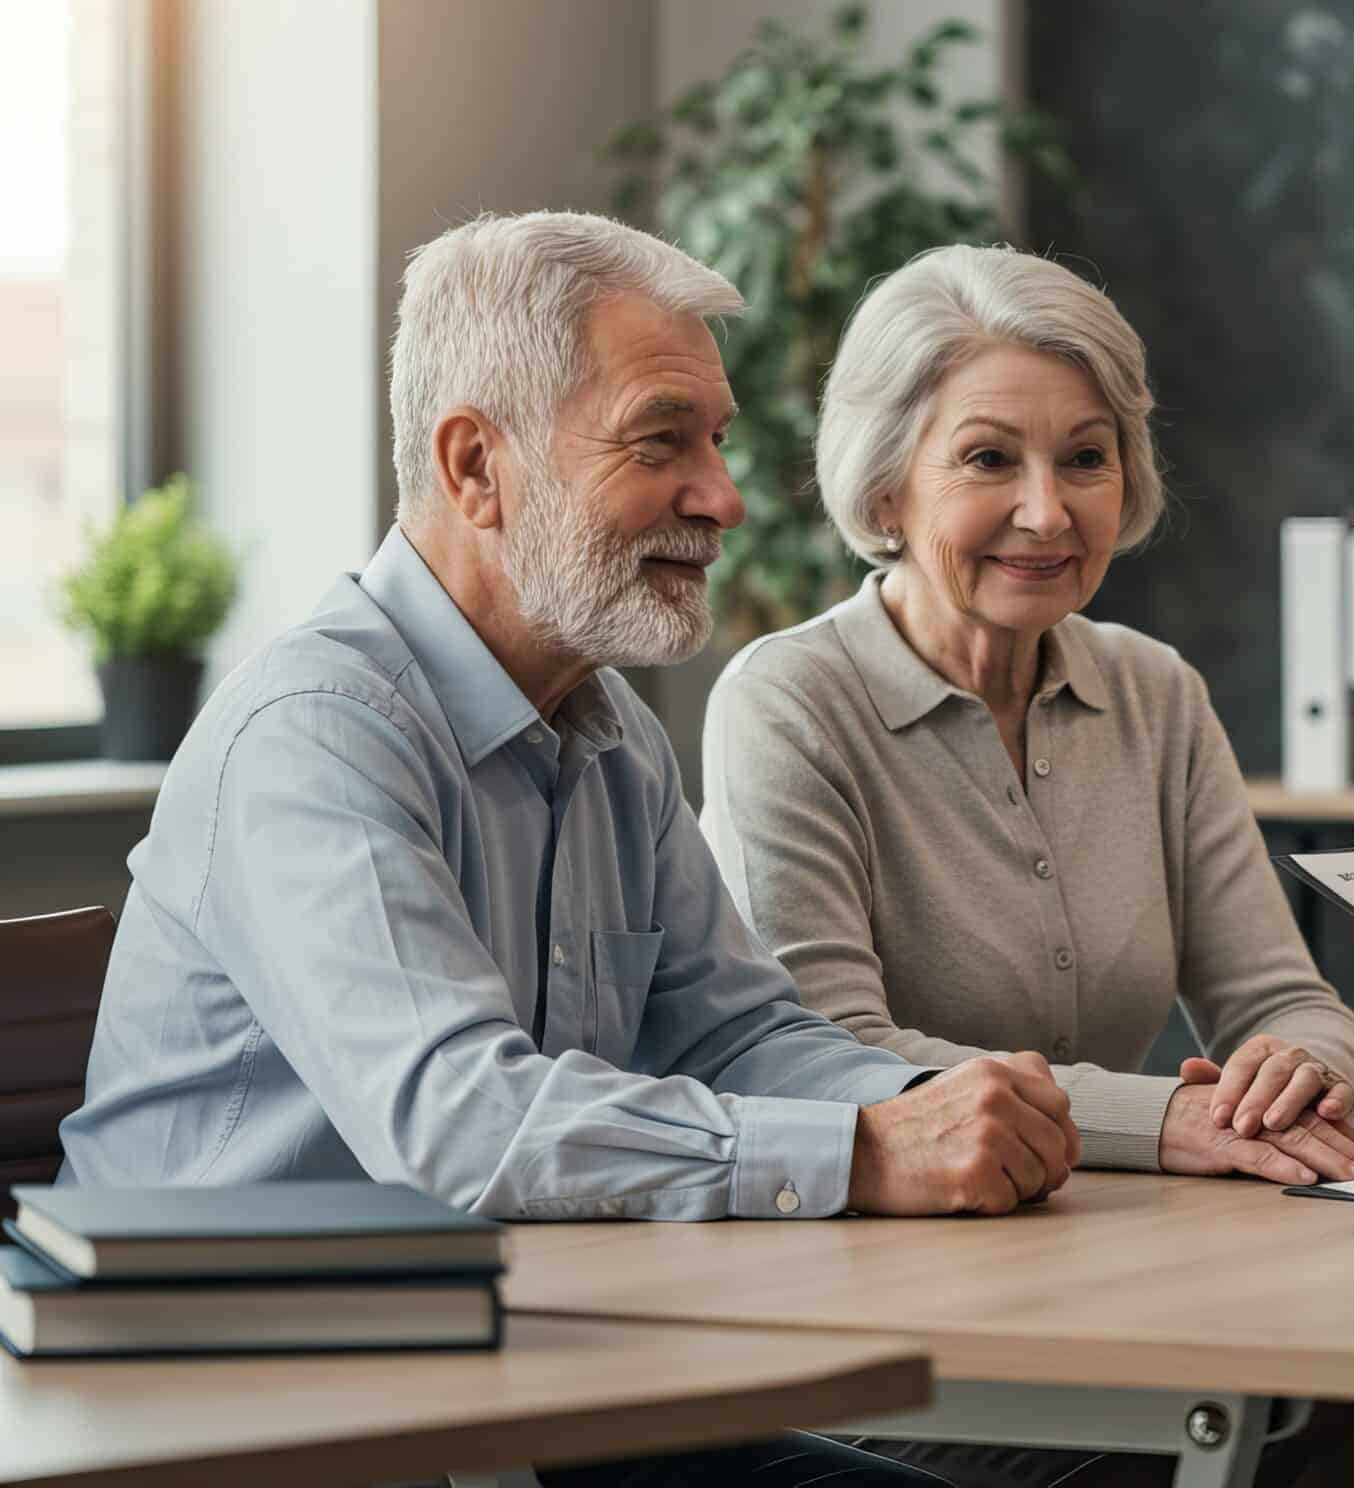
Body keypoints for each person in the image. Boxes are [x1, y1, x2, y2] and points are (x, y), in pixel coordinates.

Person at [62, 212, 1083, 1488]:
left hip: (505, 1384)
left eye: (717, 441)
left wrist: (946, 1104)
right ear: (476, 465)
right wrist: (872, 1150)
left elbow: (736, 1037)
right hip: (240, 1420)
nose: (723, 497)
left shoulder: (609, 731)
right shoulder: (314, 734)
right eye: (662, 440)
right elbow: (460, 1121)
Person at [700, 244, 1354, 1487]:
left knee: (1328, 1425)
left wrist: (1300, 1070)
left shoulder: (1153, 690)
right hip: (863, 1327)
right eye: (988, 459)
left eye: (1085, 457)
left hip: (1099, 1275)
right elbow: (829, 1060)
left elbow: (1285, 997)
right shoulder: (788, 701)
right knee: (1291, 1444)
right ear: (884, 487)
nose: (1047, 510)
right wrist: (1165, 1120)